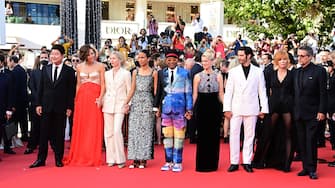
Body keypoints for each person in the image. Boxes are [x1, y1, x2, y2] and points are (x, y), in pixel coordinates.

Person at [29, 45, 76, 168]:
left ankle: (58, 159)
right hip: (46, 106)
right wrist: (38, 104)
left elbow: (71, 91)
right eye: (52, 54)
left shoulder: (69, 71)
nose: (53, 56)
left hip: (61, 107)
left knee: (59, 134)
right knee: (43, 134)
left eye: (56, 54)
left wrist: (69, 107)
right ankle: (40, 159)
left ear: (62, 55)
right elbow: (40, 88)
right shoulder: (45, 69)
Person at [224, 46, 268, 173]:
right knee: (234, 135)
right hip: (235, 108)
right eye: (239, 55)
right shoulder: (233, 72)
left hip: (252, 107)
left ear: (249, 56)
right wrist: (226, 108)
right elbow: (228, 92)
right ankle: (234, 162)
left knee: (250, 135)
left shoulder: (258, 71)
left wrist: (264, 109)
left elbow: (262, 91)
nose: (239, 57)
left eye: (242, 55)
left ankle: (247, 161)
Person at [63, 45, 105, 166]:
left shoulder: (100, 66)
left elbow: (103, 84)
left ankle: (92, 154)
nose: (91, 56)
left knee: (93, 126)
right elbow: (78, 84)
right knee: (81, 125)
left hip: (95, 98)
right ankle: (80, 153)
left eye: (93, 53)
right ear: (84, 55)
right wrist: (75, 99)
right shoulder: (79, 67)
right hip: (82, 98)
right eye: (89, 54)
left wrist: (100, 98)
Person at [252, 50, 294, 172]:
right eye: (280, 59)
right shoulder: (270, 73)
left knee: (288, 135)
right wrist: (262, 107)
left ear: (288, 61)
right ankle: (261, 161)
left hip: (287, 106)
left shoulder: (293, 75)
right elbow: (264, 92)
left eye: (285, 59)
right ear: (276, 61)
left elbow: (295, 92)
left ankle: (286, 164)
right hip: (273, 106)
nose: (283, 61)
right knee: (267, 133)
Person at [154, 49, 193, 172]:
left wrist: (189, 109)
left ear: (178, 60)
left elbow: (188, 92)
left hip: (180, 109)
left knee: (179, 136)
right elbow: (159, 92)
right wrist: (157, 108)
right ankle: (168, 161)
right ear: (166, 61)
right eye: (169, 60)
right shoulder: (161, 73)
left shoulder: (185, 73)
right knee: (167, 136)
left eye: (174, 59)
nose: (171, 62)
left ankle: (178, 162)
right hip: (165, 109)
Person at [294, 46, 327, 180]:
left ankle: (312, 169)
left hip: (313, 113)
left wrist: (321, 110)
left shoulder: (319, 71)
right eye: (298, 55)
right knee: (301, 141)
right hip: (298, 113)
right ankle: (305, 167)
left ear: (309, 57)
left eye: (302, 56)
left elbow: (323, 93)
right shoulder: (295, 72)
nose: (299, 58)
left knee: (311, 141)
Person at [125, 50, 158, 168]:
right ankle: (134, 158)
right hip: (136, 102)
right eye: (139, 57)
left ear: (148, 58)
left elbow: (155, 91)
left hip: (148, 102)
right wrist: (126, 103)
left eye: (143, 57)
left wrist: (156, 106)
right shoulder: (135, 72)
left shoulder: (154, 72)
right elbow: (132, 89)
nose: (140, 59)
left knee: (146, 130)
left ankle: (144, 158)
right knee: (134, 130)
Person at [193, 49, 224, 172]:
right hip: (201, 105)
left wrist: (227, 107)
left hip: (214, 106)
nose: (204, 63)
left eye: (206, 61)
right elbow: (195, 95)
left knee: (214, 135)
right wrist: (190, 108)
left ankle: (212, 164)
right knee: (202, 135)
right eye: (203, 61)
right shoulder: (197, 76)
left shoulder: (219, 76)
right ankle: (201, 164)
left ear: (212, 61)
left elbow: (221, 93)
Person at [102, 51, 131, 168]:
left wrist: (128, 104)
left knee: (116, 131)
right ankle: (110, 158)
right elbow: (105, 89)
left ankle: (120, 158)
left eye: (114, 58)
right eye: (110, 58)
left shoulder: (126, 73)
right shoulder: (107, 74)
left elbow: (129, 90)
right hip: (108, 104)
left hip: (120, 104)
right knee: (108, 133)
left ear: (120, 60)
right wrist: (101, 100)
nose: (111, 60)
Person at [24, 52, 49, 154]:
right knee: (35, 126)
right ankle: (32, 145)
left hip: (48, 103)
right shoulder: (34, 72)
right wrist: (37, 99)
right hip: (36, 103)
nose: (44, 59)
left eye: (46, 57)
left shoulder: (51, 70)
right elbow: (31, 86)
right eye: (42, 57)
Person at [7, 55, 29, 142]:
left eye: (9, 61)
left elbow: (14, 89)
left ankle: (12, 138)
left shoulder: (14, 72)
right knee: (23, 120)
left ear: (12, 61)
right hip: (23, 99)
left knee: (13, 121)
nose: (8, 63)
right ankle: (24, 135)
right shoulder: (22, 70)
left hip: (16, 101)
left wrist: (12, 103)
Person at [0, 53, 15, 155]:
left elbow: (11, 93)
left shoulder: (8, 75)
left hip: (3, 107)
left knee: (6, 128)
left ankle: (7, 146)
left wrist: (9, 108)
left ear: (1, 62)